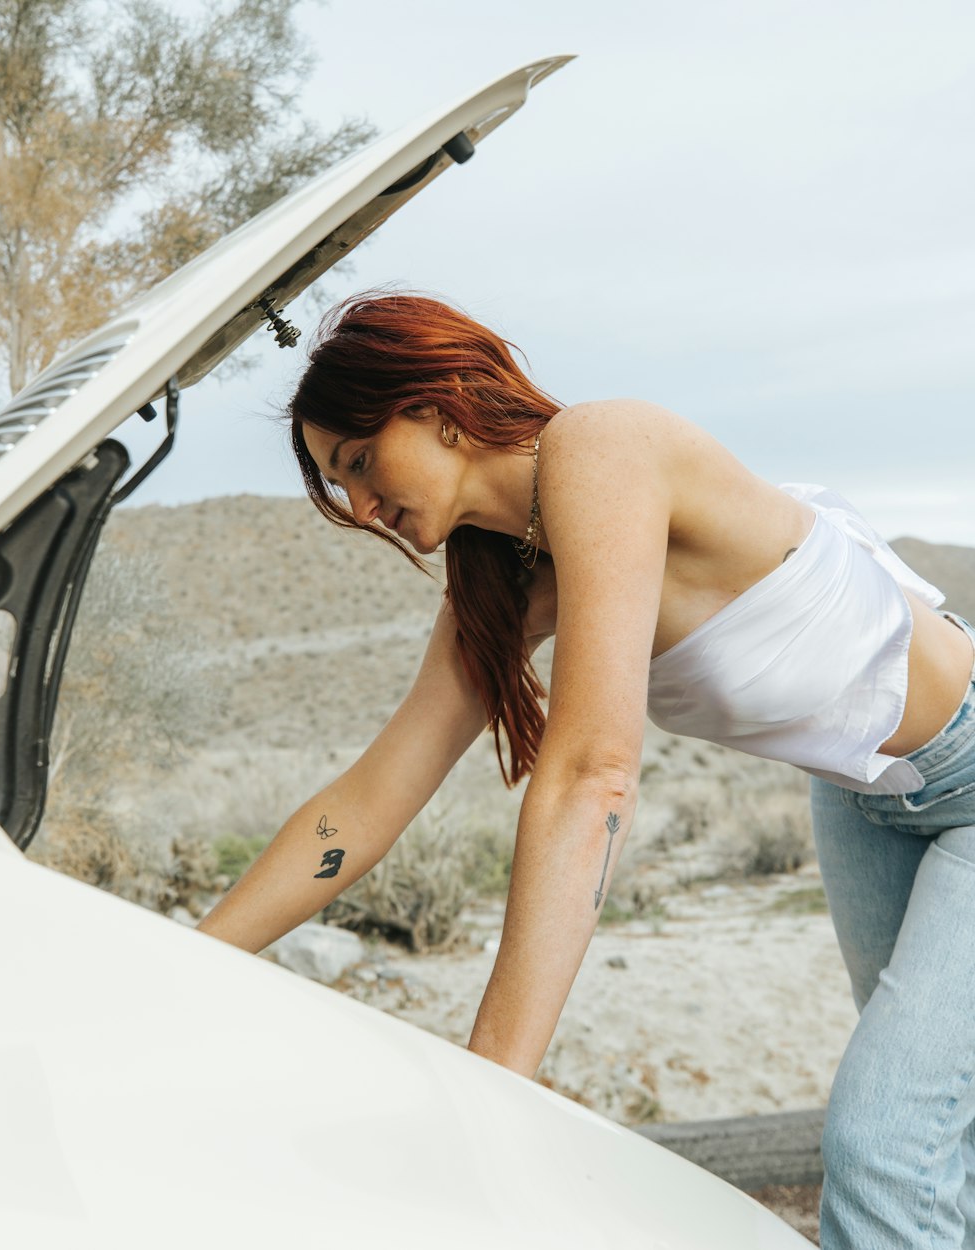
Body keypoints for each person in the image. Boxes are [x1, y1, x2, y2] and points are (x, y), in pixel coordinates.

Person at [198, 291, 975, 1250]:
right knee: (943, 1132)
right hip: (867, 798)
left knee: (888, 1148)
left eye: (358, 462)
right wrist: (184, 960)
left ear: (434, 408)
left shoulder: (603, 450)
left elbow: (592, 776)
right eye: (338, 486)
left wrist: (488, 1091)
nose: (359, 507)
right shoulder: (507, 579)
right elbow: (368, 800)